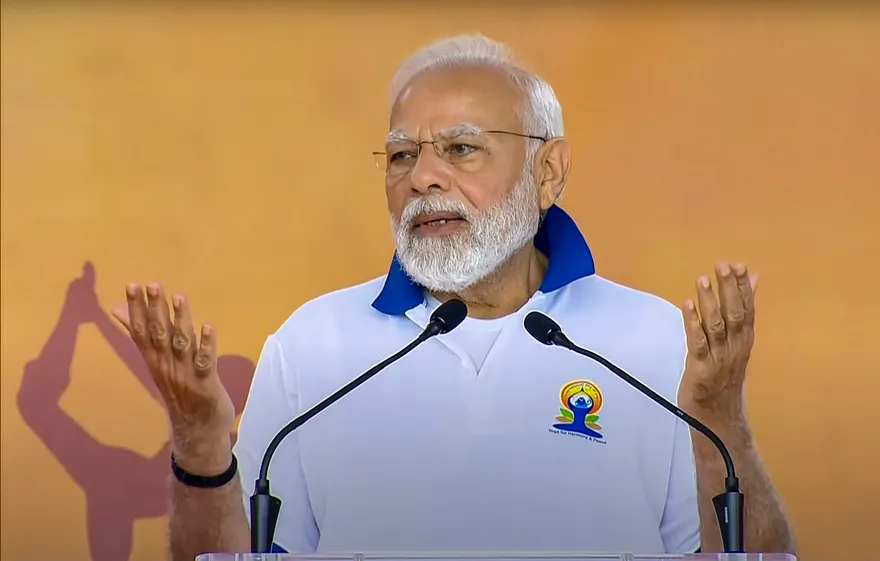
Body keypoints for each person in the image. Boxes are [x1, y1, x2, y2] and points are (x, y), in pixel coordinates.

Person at [113, 35, 797, 561]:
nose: (422, 178)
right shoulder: (311, 345)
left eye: (461, 148)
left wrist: (719, 417)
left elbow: (750, 553)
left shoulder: (651, 339)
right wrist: (202, 440)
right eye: (402, 156)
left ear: (548, 170)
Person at [17, 262, 255, 561]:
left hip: (146, 491)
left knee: (110, 489)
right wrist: (88, 316)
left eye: (221, 376)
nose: (207, 380)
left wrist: (95, 317)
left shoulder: (235, 445)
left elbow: (145, 371)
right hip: (128, 481)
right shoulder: (186, 398)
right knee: (34, 402)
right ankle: (75, 309)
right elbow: (147, 368)